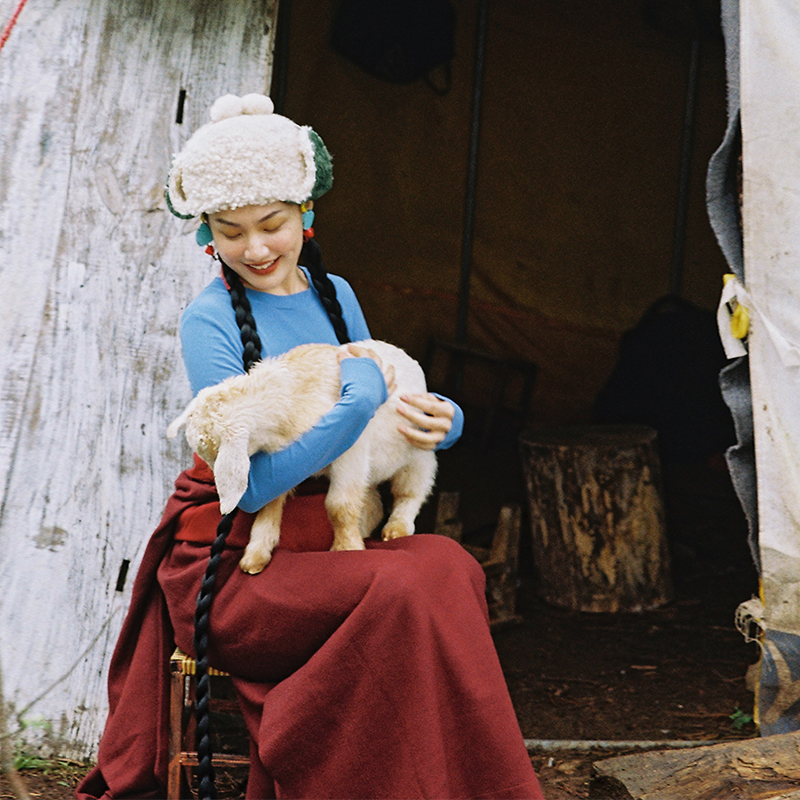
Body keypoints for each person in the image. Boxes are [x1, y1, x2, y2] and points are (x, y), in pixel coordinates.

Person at [76, 93, 544, 800]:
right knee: (403, 584)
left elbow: (386, 400)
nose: (255, 248)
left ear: (307, 217)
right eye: (231, 232)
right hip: (239, 563)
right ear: (207, 233)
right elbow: (250, 487)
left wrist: (443, 419)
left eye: (272, 225)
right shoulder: (208, 322)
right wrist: (350, 408)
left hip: (329, 538)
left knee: (447, 565)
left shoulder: (336, 296)